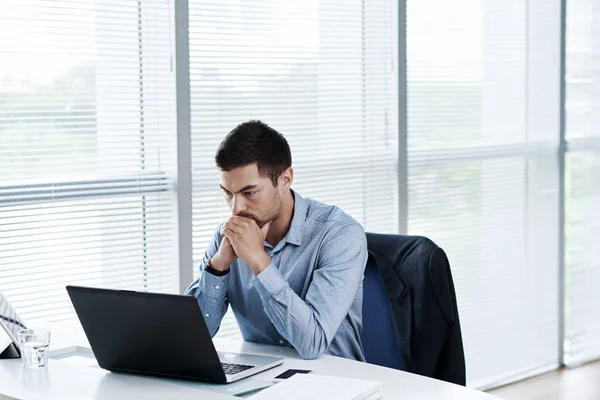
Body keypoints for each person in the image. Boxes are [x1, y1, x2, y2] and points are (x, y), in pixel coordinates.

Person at [185, 120, 368, 361]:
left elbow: (312, 344)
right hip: (261, 379)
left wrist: (259, 262)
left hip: (336, 381)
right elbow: (192, 338)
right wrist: (218, 266)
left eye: (249, 192)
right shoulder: (227, 236)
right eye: (228, 193)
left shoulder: (340, 235)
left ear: (285, 180)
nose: (236, 208)